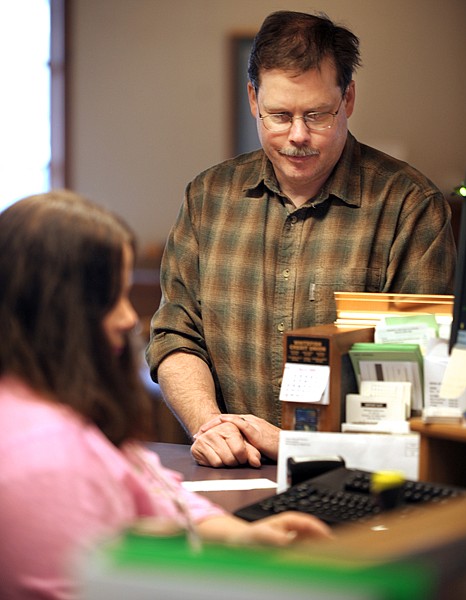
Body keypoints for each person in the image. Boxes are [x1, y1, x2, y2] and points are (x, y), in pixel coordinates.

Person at [146, 10, 456, 469]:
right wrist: (210, 425)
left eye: (317, 115)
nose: (297, 136)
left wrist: (296, 445)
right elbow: (176, 334)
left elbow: (424, 377)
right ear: (253, 99)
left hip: (358, 479)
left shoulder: (409, 206)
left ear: (348, 98)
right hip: (229, 470)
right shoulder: (208, 197)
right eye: (278, 115)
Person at [0, 190, 331, 600]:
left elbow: (155, 491)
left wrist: (238, 536)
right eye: (110, 301)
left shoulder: (53, 400)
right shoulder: (46, 456)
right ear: (51, 308)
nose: (128, 318)